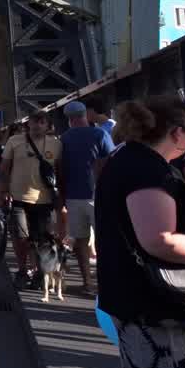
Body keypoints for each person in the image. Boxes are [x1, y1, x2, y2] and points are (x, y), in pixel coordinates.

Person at [95, 96, 185, 368]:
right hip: (152, 304)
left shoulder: (126, 158)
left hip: (133, 298)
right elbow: (161, 241)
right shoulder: (148, 170)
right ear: (176, 132)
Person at [0, 111, 62, 289]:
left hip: (44, 200)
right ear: (28, 124)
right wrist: (2, 192)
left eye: (42, 122)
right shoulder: (14, 141)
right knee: (21, 238)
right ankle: (21, 270)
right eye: (34, 121)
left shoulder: (56, 144)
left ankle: (40, 273)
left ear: (48, 126)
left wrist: (60, 198)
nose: (37, 125)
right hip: (18, 198)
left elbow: (60, 172)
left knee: (42, 239)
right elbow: (4, 169)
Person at [60, 101, 115, 295]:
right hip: (98, 195)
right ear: (84, 115)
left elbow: (60, 168)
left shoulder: (64, 138)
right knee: (104, 239)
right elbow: (110, 162)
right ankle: (107, 282)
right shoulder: (100, 134)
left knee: (81, 241)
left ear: (69, 119)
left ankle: (87, 282)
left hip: (73, 196)